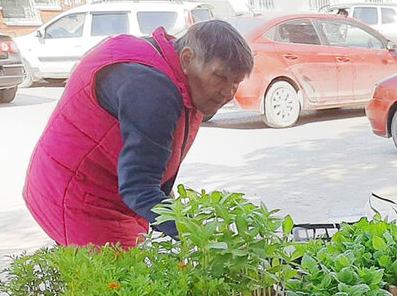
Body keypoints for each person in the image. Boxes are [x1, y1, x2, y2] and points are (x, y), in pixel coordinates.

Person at [23, 20, 253, 248]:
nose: (228, 92)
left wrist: (179, 215)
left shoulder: (168, 64)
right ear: (187, 58)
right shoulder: (152, 91)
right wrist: (205, 240)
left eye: (236, 82)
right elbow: (139, 188)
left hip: (82, 183)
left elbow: (149, 168)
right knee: (124, 282)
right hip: (80, 198)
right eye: (220, 77)